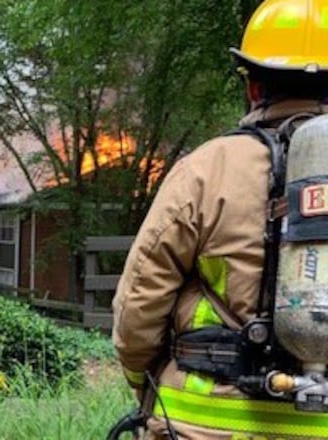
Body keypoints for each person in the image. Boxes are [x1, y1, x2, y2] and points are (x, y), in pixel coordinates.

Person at [112, 1, 328, 438]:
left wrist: (144, 384)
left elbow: (138, 304)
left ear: (253, 87)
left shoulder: (205, 170)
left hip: (201, 426)